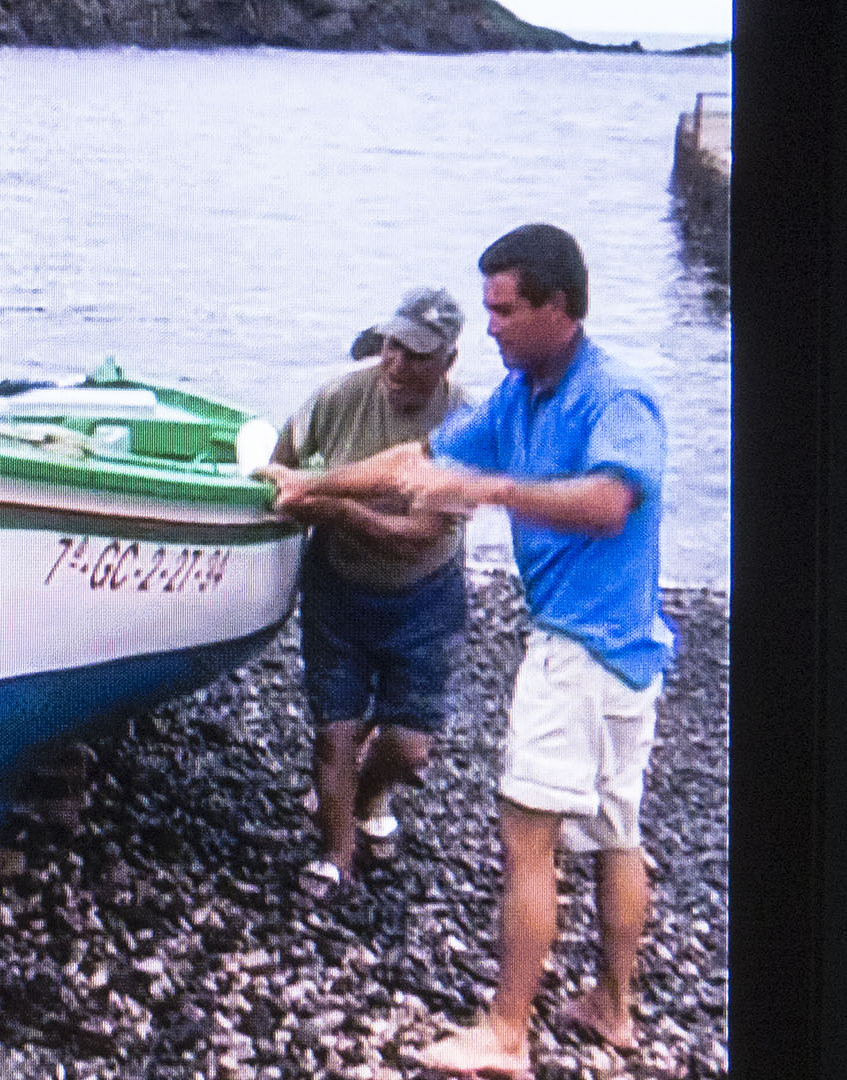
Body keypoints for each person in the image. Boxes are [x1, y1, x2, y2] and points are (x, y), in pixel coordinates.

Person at [258, 224, 674, 1077]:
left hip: (582, 651)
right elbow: (415, 462)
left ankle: (506, 1032)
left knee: (530, 839)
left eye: (505, 310)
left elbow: (607, 503)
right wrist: (312, 483)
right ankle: (613, 1008)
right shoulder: (520, 398)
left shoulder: (614, 396)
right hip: (629, 656)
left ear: (558, 307)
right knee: (616, 834)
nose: (491, 328)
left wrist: (487, 489)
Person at [269, 287, 471, 894]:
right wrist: (286, 501)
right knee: (334, 729)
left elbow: (418, 535)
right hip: (338, 589)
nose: (398, 365)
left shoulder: (465, 424)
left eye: (417, 355)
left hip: (425, 596)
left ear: (448, 362)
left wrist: (336, 509)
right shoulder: (337, 399)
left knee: (409, 746)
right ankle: (336, 855)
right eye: (392, 347)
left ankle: (370, 792)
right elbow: (282, 463)